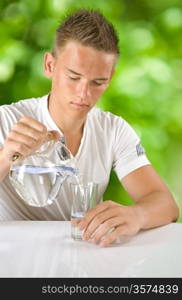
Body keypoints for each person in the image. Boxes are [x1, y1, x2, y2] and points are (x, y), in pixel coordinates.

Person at [0, 9, 179, 247]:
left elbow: (166, 204)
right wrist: (6, 157)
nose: (84, 94)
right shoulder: (6, 120)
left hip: (82, 262)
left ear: (110, 77)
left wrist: (137, 215)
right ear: (50, 65)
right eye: (73, 77)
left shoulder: (113, 130)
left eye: (98, 82)